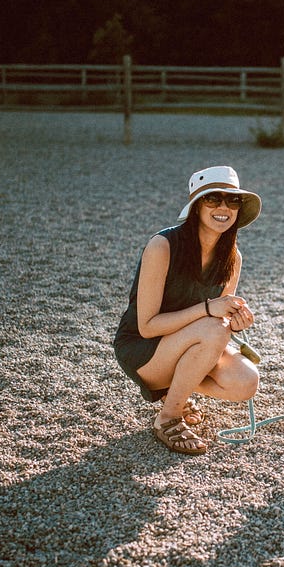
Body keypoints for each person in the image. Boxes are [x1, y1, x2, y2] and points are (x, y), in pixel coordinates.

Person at [113, 166, 261, 455]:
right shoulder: (163, 246)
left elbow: (219, 322)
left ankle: (177, 388)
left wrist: (235, 322)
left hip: (188, 344)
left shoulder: (233, 258)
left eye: (232, 201)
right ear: (196, 206)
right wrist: (209, 309)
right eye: (213, 199)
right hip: (143, 350)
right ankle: (168, 417)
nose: (223, 207)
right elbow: (147, 326)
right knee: (212, 327)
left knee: (246, 382)